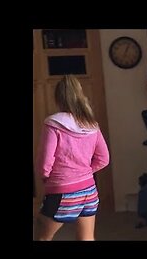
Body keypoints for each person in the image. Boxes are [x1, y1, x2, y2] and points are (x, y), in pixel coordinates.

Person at [35, 74, 110, 241]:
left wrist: (45, 177)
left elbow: (45, 161)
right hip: (89, 191)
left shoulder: (53, 123)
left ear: (58, 97)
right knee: (87, 238)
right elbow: (104, 158)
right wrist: (84, 172)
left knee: (42, 237)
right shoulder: (91, 124)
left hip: (61, 191)